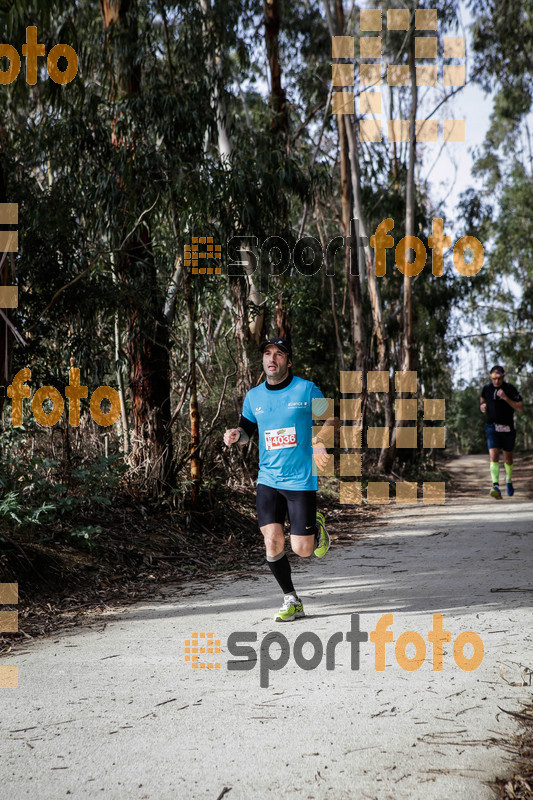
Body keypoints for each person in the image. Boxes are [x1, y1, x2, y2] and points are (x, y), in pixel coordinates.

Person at [224, 337, 338, 622]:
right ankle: (291, 599)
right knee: (272, 541)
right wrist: (238, 436)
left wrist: (319, 441)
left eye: (278, 354)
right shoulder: (254, 397)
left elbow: (332, 419)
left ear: (288, 361)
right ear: (263, 360)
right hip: (269, 479)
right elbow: (247, 429)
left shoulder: (306, 389)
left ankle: (317, 523)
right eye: (267, 353)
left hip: (300, 481)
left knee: (303, 549)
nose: (271, 358)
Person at [480, 365, 523, 499]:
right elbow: (482, 399)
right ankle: (495, 486)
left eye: (499, 378)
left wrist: (505, 398)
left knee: (508, 459)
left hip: (508, 428)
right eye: (494, 377)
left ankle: (508, 480)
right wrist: (482, 405)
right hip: (492, 427)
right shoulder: (486, 389)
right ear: (491, 377)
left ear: (503, 376)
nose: (496, 381)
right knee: (493, 456)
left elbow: (520, 407)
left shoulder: (510, 389)